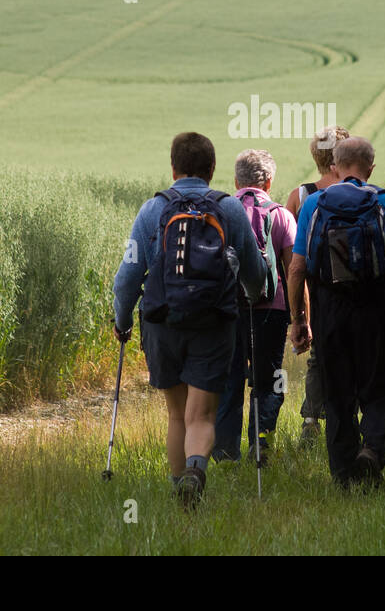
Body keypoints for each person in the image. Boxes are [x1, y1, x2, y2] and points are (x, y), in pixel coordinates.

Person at [112, 132, 265, 509]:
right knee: (203, 414)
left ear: (173, 167)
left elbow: (128, 277)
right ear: (212, 169)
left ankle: (180, 485)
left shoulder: (152, 210)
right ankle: (197, 470)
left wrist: (122, 321)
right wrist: (253, 292)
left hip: (162, 322)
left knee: (176, 413)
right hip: (213, 321)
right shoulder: (229, 209)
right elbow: (255, 276)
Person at [287, 137, 385, 489]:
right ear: (372, 167)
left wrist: (299, 320)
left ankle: (344, 477)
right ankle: (373, 451)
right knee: (379, 389)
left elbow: (297, 268)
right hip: (377, 306)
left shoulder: (314, 204)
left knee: (338, 394)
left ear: (335, 165)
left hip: (329, 309)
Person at [213, 149, 297, 466]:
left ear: (236, 180)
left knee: (229, 379)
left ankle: (224, 454)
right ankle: (261, 446)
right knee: (269, 381)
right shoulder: (282, 215)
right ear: (269, 181)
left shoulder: (221, 213)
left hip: (228, 310)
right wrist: (300, 319)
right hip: (271, 311)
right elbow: (293, 271)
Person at [284, 124, 350, 446]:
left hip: (316, 289)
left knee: (319, 356)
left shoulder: (300, 196)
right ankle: (349, 418)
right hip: (355, 290)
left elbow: (290, 258)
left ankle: (311, 421)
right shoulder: (361, 192)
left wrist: (297, 315)